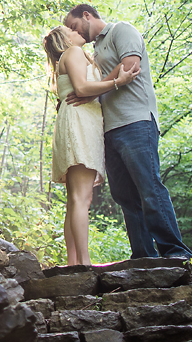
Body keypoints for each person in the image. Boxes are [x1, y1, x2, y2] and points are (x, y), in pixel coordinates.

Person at [63, 3, 192, 260]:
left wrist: (93, 88)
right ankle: (144, 255)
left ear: (87, 15)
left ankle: (175, 252)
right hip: (109, 130)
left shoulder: (122, 30)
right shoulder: (94, 50)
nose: (73, 32)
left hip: (136, 122)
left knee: (149, 187)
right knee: (124, 195)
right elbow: (91, 88)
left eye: (74, 26)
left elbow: (130, 66)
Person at [43, 25, 139, 266]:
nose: (78, 32)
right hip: (80, 123)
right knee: (80, 198)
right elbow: (83, 90)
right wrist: (118, 83)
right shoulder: (73, 53)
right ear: (65, 39)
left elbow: (92, 89)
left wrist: (118, 73)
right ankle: (84, 263)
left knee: (76, 199)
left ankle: (74, 262)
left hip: (79, 121)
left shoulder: (72, 58)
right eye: (71, 30)